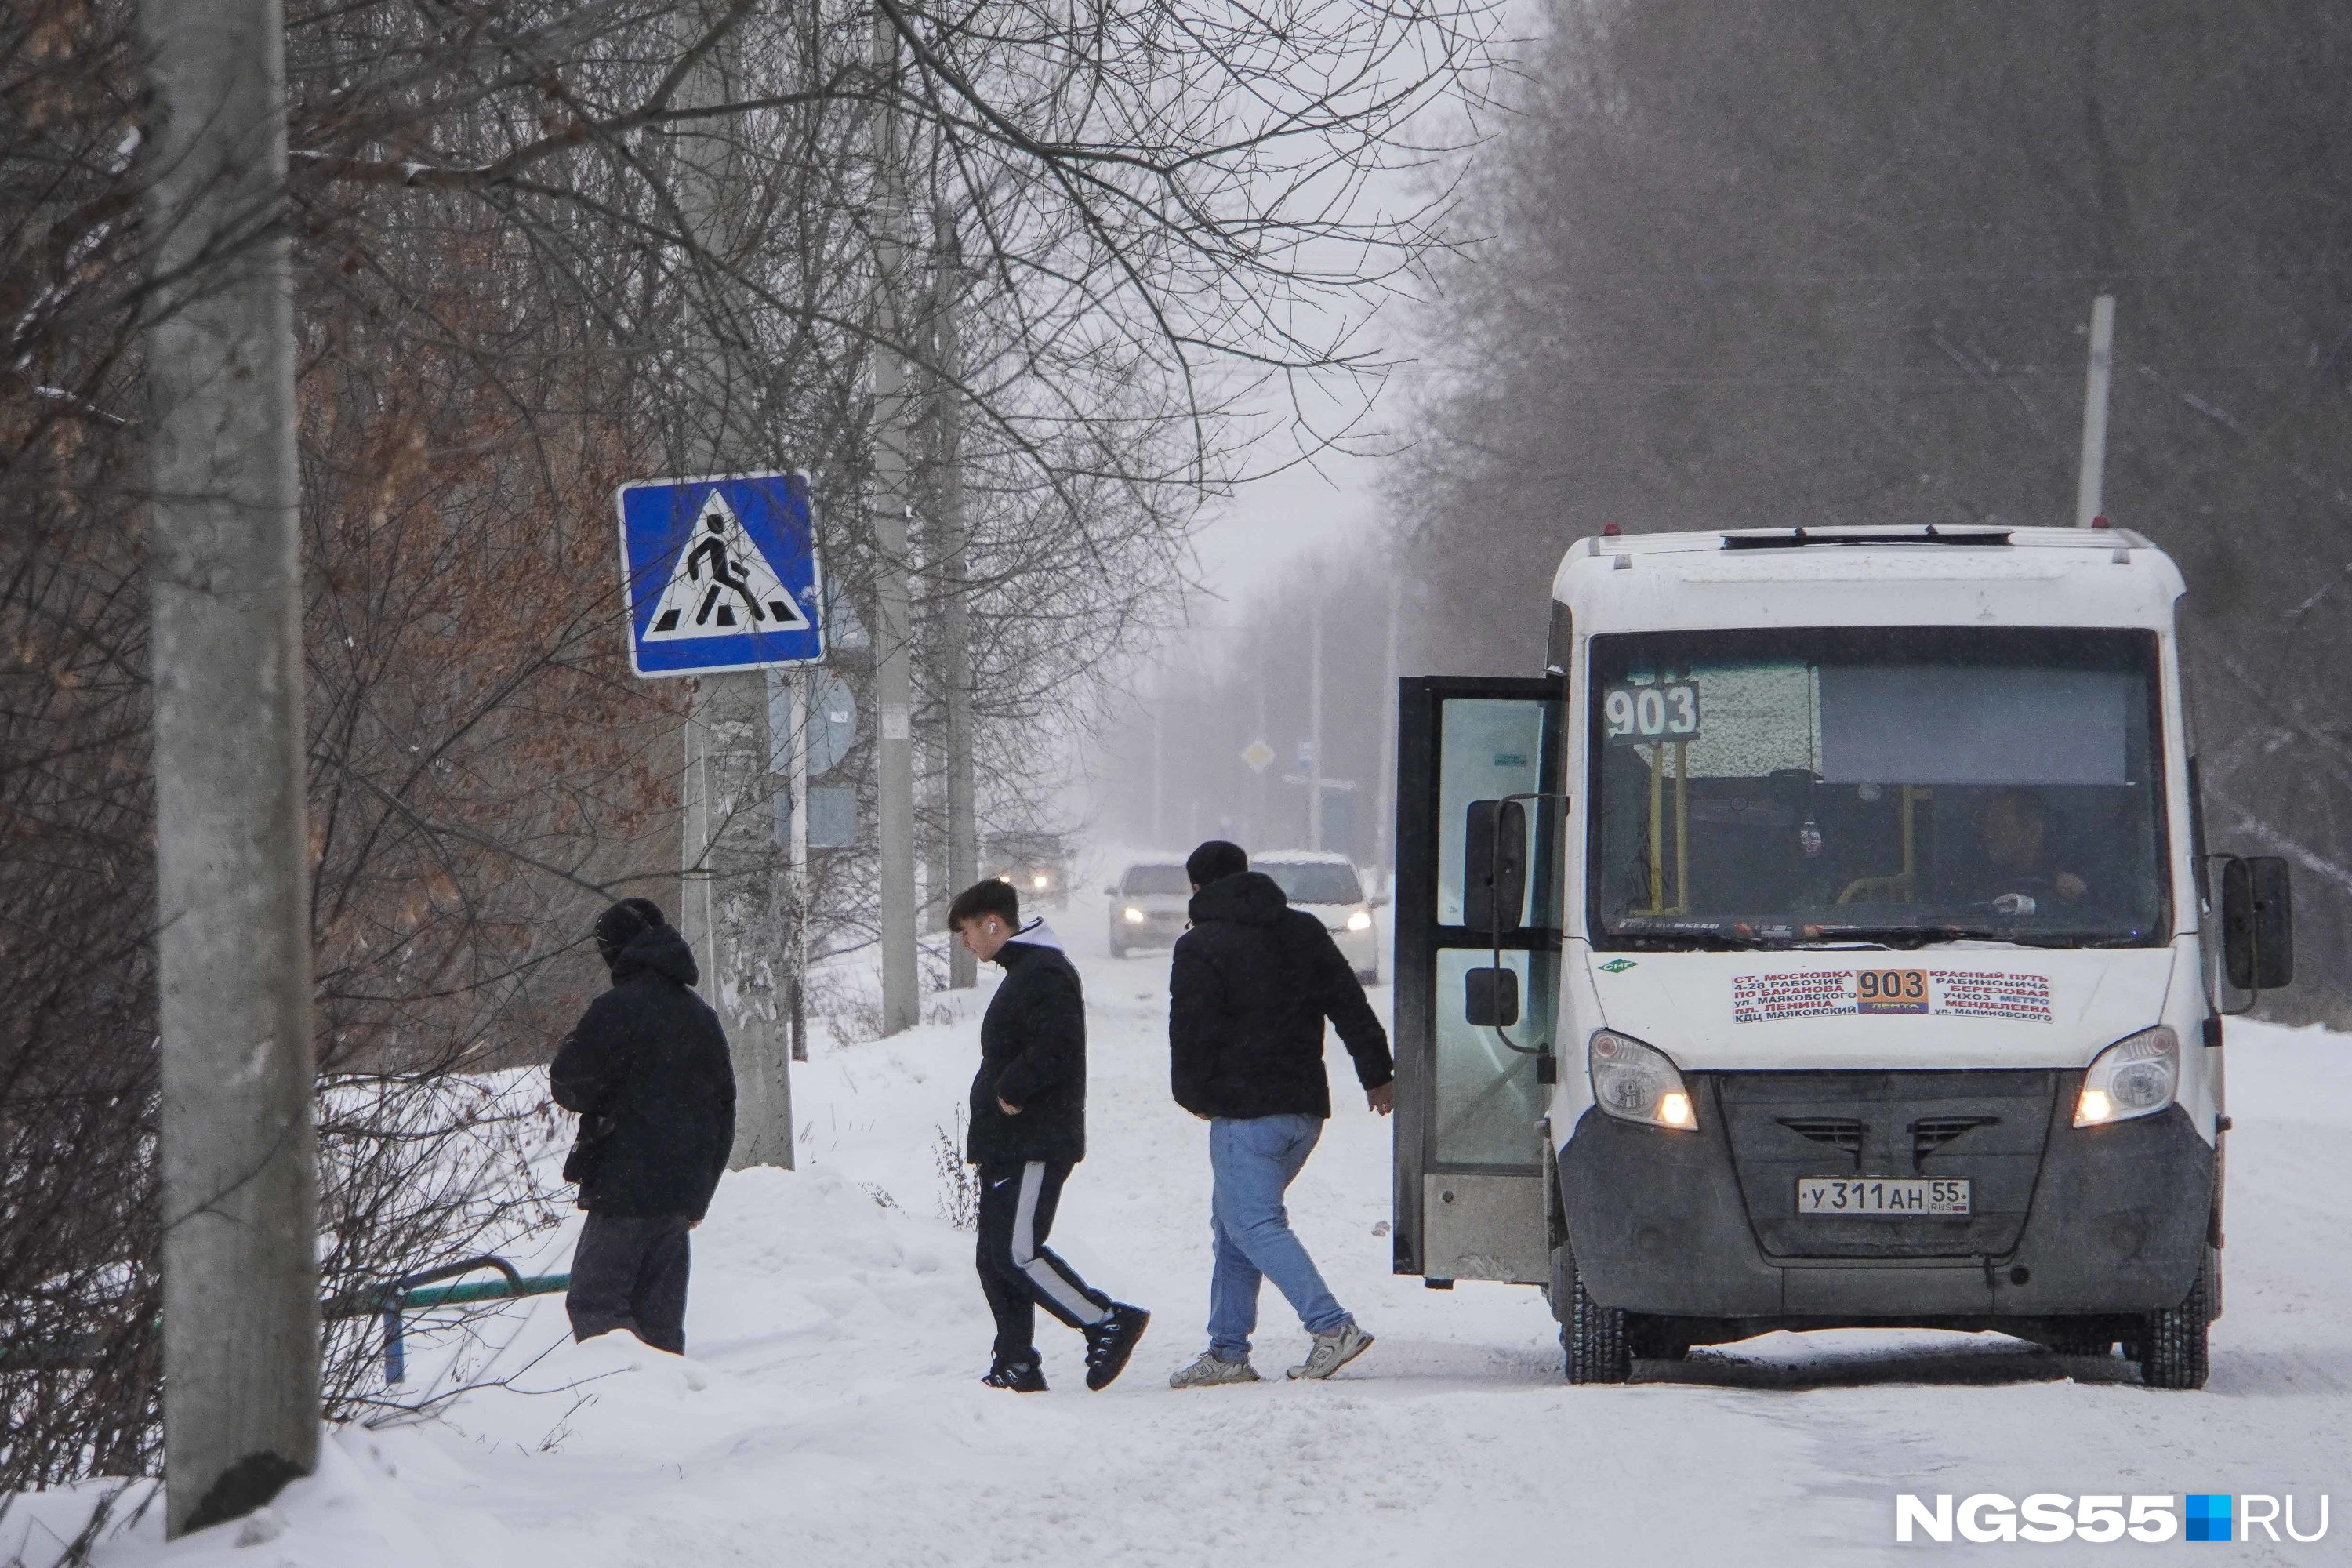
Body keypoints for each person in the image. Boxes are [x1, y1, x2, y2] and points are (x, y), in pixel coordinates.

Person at [1165, 841, 1394, 1388]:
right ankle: (1226, 1352)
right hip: (1302, 1113)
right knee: (1235, 1224)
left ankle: (1331, 1326)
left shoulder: (1200, 946)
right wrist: (1377, 1073)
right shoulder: (1303, 930)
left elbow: (1189, 1032)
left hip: (1246, 1115)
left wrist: (1195, 1097)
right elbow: (1349, 1002)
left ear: (1198, 888)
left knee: (1252, 1223)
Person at [950, 878, 1149, 1393]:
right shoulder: (1025, 971)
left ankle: (1105, 1320)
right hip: (1008, 1141)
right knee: (993, 1256)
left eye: (967, 931)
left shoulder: (1044, 971)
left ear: (993, 923)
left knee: (1016, 1253)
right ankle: (1017, 1361)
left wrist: (1012, 1087)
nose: (964, 943)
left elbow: (1057, 1043)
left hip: (1034, 1139)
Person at [550, 897, 735, 1356]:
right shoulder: (701, 1016)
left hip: (625, 1190)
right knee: (661, 1326)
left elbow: (571, 1085)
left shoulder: (617, 1010)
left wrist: (573, 1048)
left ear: (615, 951)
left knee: (596, 1306)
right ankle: (664, 1413)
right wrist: (698, 1196)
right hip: (680, 1199)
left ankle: (620, 1412)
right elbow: (724, 1111)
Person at [1972, 787, 2089, 905]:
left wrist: (2078, 894)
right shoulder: (1974, 880)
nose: (1988, 835)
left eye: (1998, 826)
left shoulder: (2071, 878)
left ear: (2033, 830)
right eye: (1986, 826)